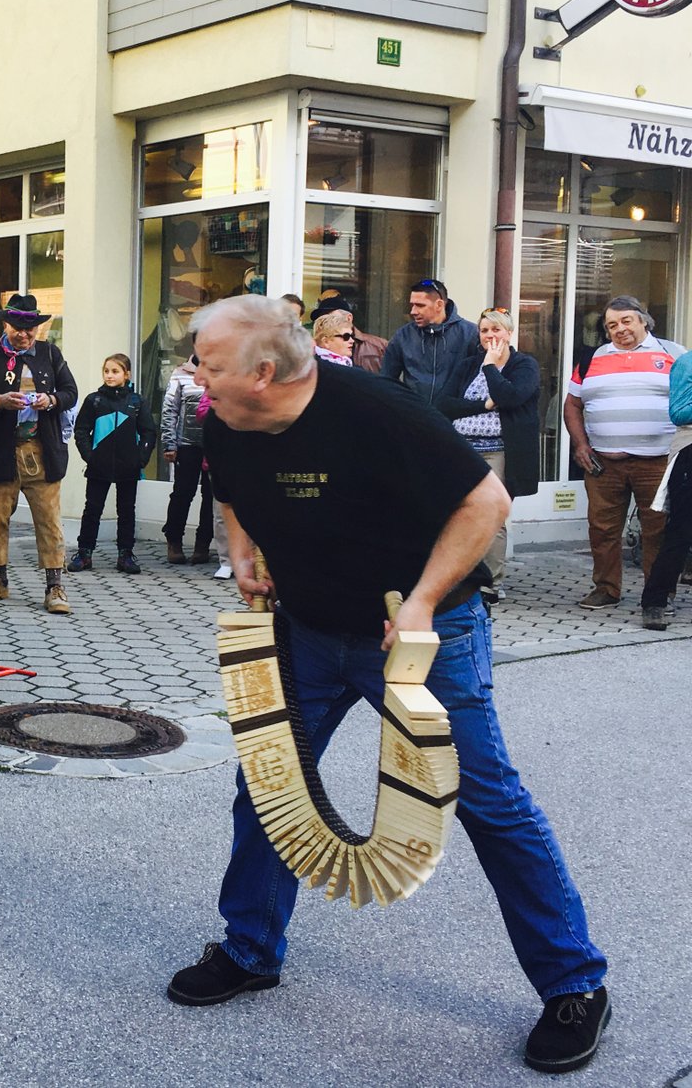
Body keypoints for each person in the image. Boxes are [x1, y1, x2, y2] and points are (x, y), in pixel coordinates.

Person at [166, 295, 610, 1076]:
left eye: (207, 363)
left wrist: (424, 601)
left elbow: (487, 503)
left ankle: (574, 984)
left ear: (263, 373)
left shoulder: (379, 413)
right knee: (270, 783)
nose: (194, 375)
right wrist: (241, 550)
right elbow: (230, 489)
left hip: (416, 632)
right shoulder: (227, 416)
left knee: (488, 801)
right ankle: (250, 948)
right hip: (308, 630)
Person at [563, 295, 687, 610]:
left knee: (658, 530)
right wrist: (580, 444)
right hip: (603, 463)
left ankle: (659, 594)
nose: (620, 329)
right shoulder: (591, 359)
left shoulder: (675, 354)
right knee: (602, 529)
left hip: (659, 461)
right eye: (612, 325)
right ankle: (606, 589)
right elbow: (572, 405)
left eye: (626, 321)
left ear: (644, 320)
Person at [0, 293, 79, 614]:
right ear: (6, 325)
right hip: (0, 451)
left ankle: (54, 587)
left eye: (30, 329)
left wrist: (50, 400)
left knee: (49, 520)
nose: (24, 334)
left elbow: (71, 392)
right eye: (18, 328)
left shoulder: (51, 354)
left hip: (41, 451)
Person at [433, 308, 540, 602]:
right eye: (484, 330)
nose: (490, 335)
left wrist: (491, 366)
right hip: (463, 451)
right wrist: (484, 405)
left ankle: (490, 582)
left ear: (509, 333)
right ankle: (458, 577)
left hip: (499, 452)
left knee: (492, 515)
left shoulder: (524, 365)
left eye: (496, 329)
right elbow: (444, 404)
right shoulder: (468, 365)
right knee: (457, 514)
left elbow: (510, 397)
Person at [68, 352, 155, 574]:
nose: (109, 375)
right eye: (106, 371)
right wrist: (90, 456)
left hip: (128, 466)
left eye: (115, 371)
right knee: (92, 509)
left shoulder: (136, 402)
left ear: (127, 374)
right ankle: (84, 553)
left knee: (126, 511)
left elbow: (148, 432)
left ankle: (125, 554)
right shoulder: (94, 400)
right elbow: (81, 430)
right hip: (99, 466)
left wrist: (140, 459)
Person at [641, 349, 692, 630]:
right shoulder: (687, 362)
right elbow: (678, 412)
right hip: (690, 448)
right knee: (681, 531)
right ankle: (655, 602)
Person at [378, 277, 479, 400]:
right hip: (413, 410)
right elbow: (387, 381)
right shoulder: (403, 336)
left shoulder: (470, 334)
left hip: (454, 411)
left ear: (439, 305)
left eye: (420, 305)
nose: (413, 311)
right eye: (412, 305)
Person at [158, 353, 212, 565]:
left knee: (211, 496)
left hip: (214, 446)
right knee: (182, 493)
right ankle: (174, 541)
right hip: (186, 446)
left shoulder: (221, 371)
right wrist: (169, 444)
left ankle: (203, 544)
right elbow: (170, 409)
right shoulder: (180, 373)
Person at [311, 292, 387, 374]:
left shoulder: (378, 346)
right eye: (321, 318)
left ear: (349, 318)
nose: (324, 321)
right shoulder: (311, 352)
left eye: (331, 317)